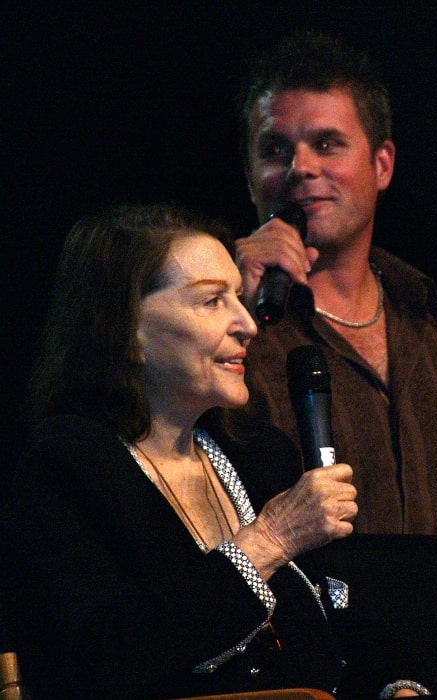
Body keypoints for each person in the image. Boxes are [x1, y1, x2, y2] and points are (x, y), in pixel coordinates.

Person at [0, 202, 369, 699]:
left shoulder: (259, 453)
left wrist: (396, 684)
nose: (248, 325)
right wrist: (269, 541)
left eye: (239, 297)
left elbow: (349, 618)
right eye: (212, 301)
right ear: (126, 328)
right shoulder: (67, 465)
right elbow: (103, 657)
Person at [235, 30, 437, 537]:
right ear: (250, 179)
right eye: (275, 149)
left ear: (382, 165)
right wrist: (231, 300)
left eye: (327, 144)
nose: (301, 168)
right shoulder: (225, 329)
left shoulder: (433, 329)